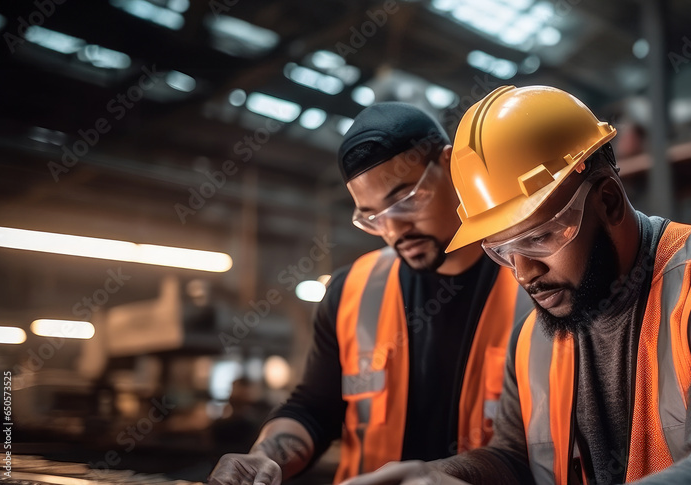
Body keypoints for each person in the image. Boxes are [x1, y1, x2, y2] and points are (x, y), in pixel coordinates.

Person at [344, 86, 691, 484]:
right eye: (500, 250)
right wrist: (449, 476)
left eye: (538, 238)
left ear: (608, 201)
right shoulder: (537, 337)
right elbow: (517, 457)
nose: (523, 272)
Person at [208, 102, 531, 484]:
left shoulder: (533, 279)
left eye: (407, 201)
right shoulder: (352, 292)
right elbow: (314, 408)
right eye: (373, 217)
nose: (394, 231)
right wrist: (265, 457)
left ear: (452, 165)